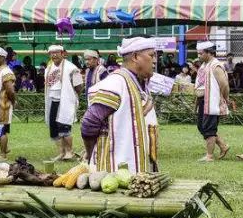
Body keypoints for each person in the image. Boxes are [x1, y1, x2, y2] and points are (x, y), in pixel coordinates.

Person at [81, 37, 159, 174]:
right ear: (135, 56)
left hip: (135, 169)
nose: (155, 61)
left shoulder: (138, 81)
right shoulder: (116, 83)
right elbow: (89, 123)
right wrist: (90, 152)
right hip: (115, 171)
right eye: (151, 55)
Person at [44, 44, 84, 161]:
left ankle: (69, 152)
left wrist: (73, 96)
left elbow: (79, 86)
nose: (54, 55)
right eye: (52, 53)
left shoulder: (71, 68)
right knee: (54, 127)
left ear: (63, 54)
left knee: (64, 126)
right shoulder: (49, 68)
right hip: (52, 100)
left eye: (57, 52)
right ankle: (61, 152)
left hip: (65, 101)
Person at [194, 41, 230, 161]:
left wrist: (225, 99)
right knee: (201, 126)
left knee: (209, 128)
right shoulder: (205, 65)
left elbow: (224, 84)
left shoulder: (216, 65)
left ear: (209, 53)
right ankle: (223, 146)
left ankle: (209, 155)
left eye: (201, 53)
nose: (198, 56)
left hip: (212, 101)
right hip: (203, 100)